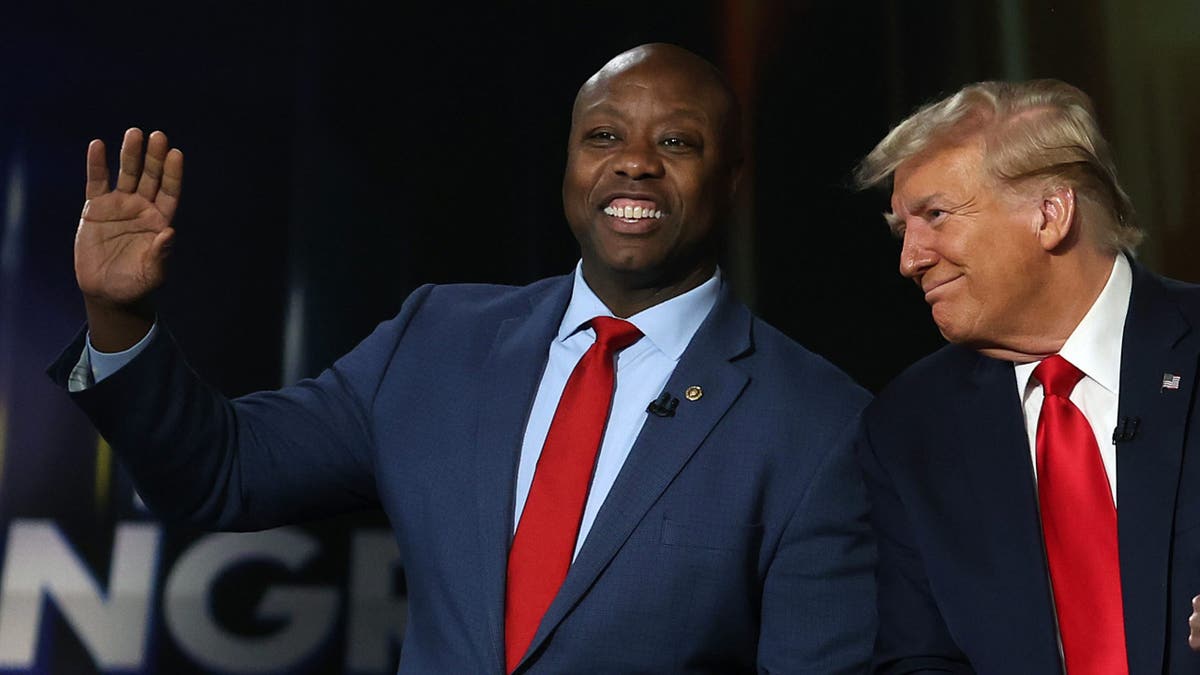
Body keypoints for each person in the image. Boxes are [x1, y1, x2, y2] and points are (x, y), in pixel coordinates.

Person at [51, 43, 876, 673]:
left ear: (732, 179)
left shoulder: (817, 422)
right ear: (568, 166)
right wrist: (118, 315)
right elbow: (221, 470)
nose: (634, 161)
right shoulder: (439, 339)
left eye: (678, 141)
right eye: (603, 135)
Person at [854, 78, 1200, 674]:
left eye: (936, 215)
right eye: (903, 230)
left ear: (1050, 214)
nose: (910, 260)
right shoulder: (909, 425)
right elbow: (914, 657)